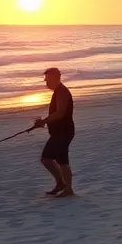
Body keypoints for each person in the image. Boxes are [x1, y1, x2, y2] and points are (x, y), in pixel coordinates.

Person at [34, 67, 75, 197]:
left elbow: (60, 113)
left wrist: (44, 121)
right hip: (60, 131)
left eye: (47, 79)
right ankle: (62, 184)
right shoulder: (58, 91)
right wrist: (45, 122)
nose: (46, 82)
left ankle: (66, 187)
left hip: (63, 132)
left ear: (54, 78)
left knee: (57, 160)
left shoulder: (62, 91)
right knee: (52, 159)